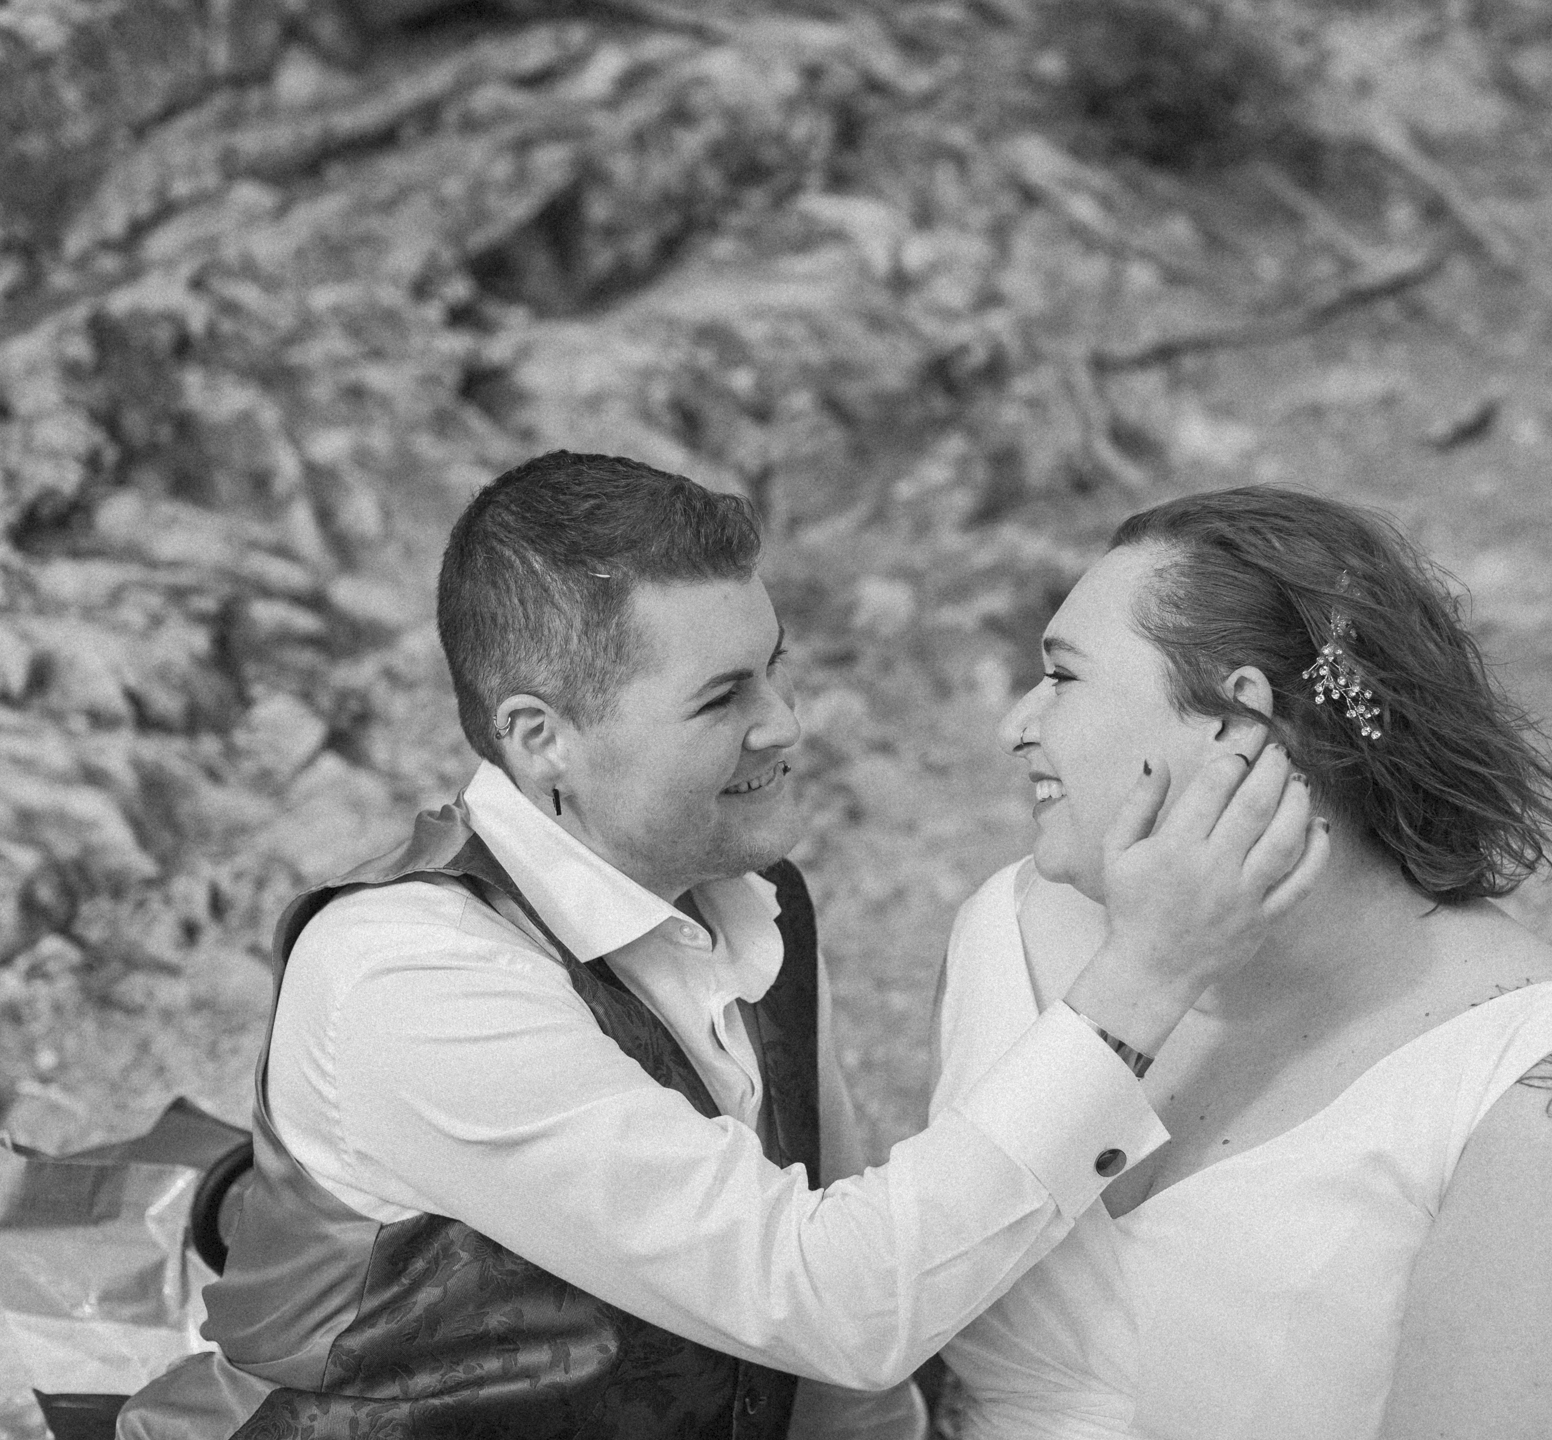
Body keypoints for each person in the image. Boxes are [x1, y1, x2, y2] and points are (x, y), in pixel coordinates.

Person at [117, 453, 1326, 1440]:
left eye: (777, 667)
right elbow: (833, 1297)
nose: (787, 723)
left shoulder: (756, 897)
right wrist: (1151, 974)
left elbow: (838, 1336)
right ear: (543, 739)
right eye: (721, 698)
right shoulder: (413, 981)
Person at [932, 485, 1552, 1440]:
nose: (1016, 724)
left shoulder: (1551, 1105)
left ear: (1238, 720)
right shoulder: (1009, 935)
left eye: (1062, 677)